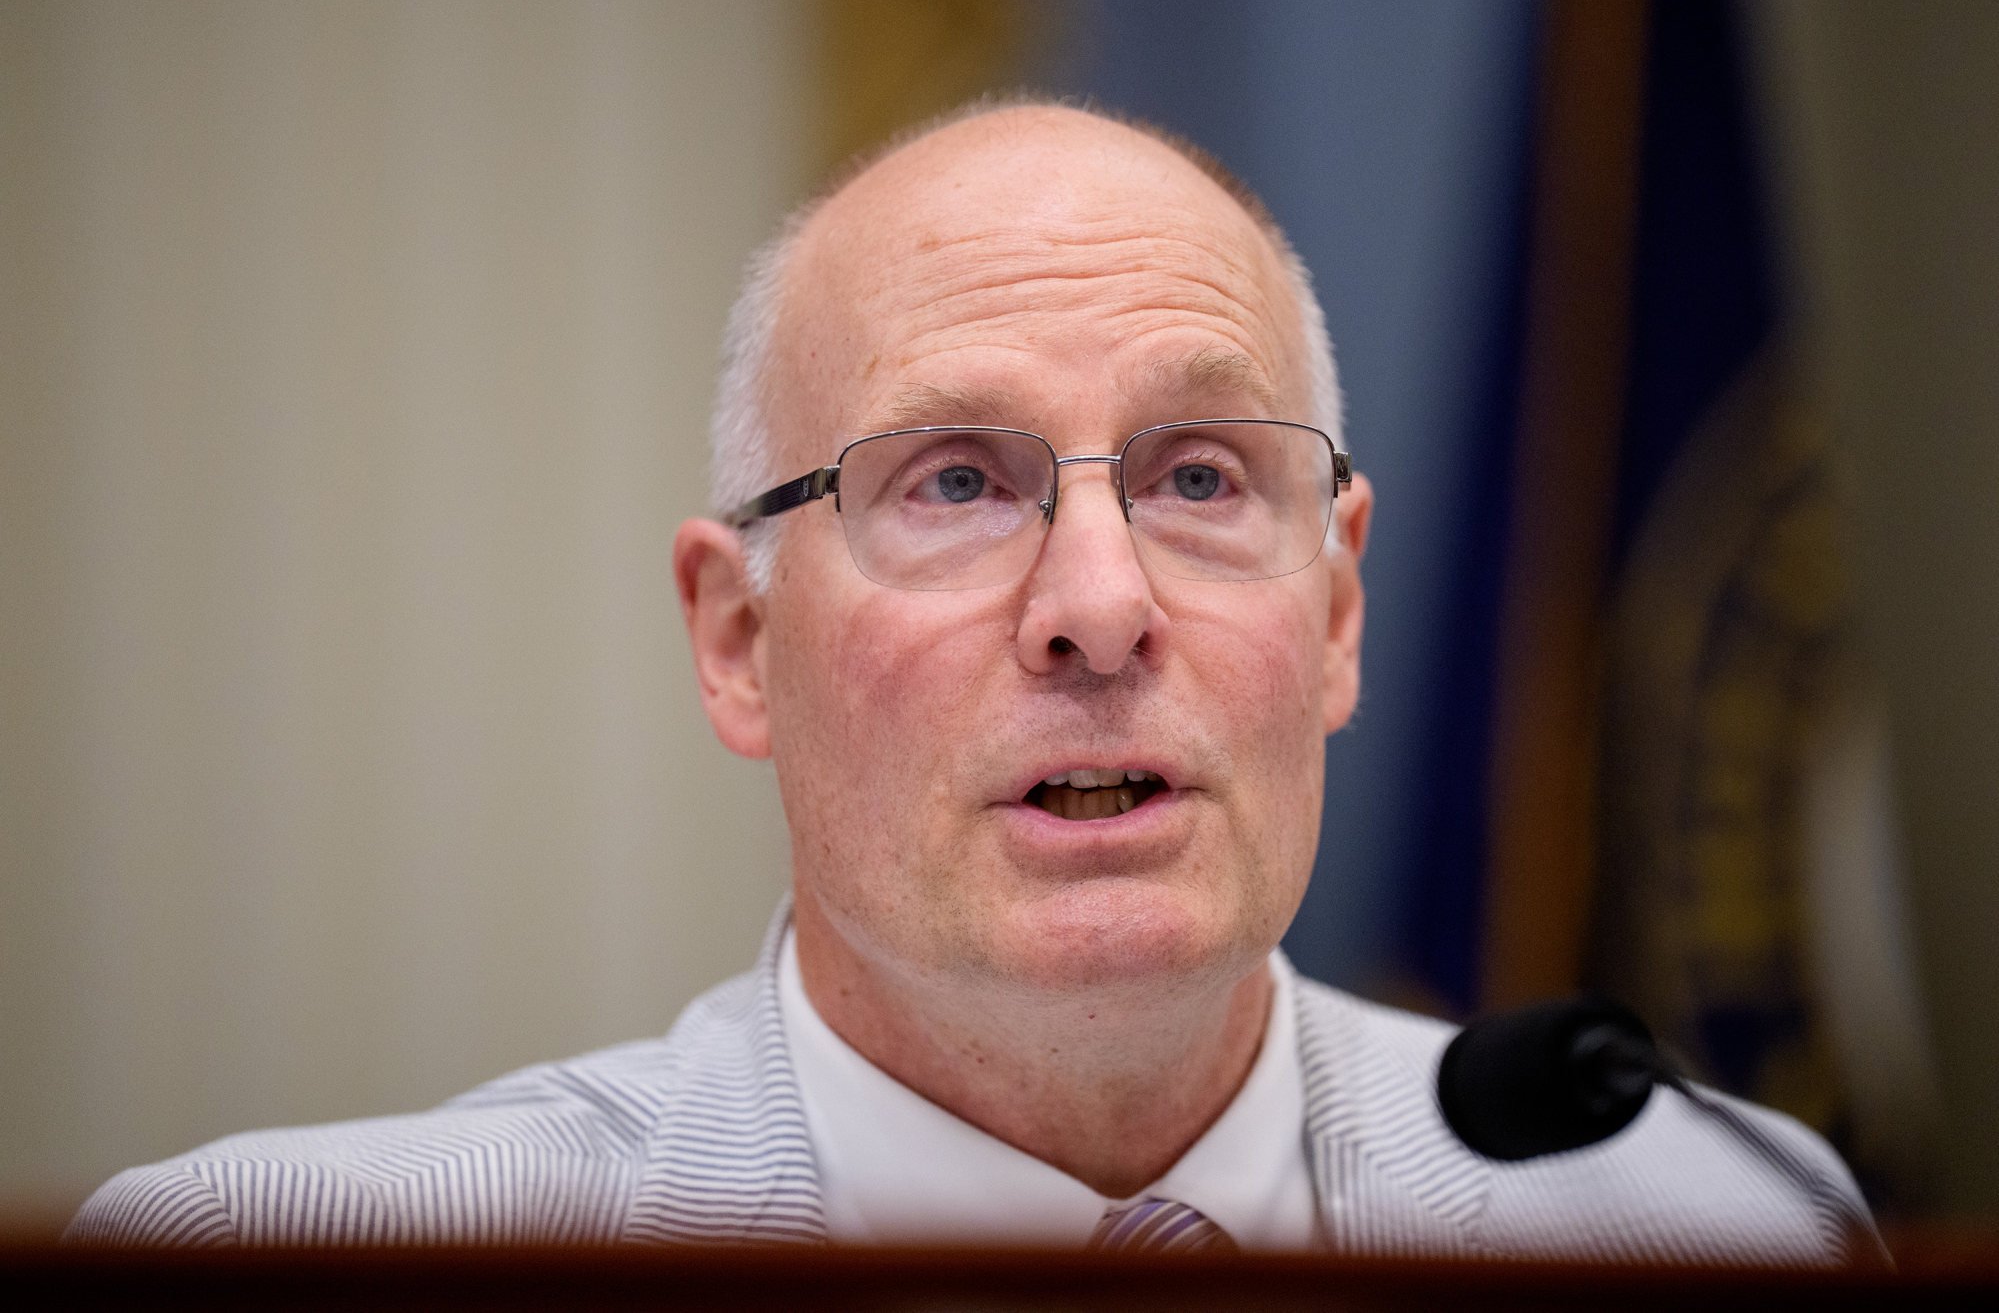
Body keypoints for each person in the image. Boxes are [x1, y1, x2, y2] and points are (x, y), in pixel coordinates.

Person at [68, 101, 1874, 1263]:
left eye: (1196, 477)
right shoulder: (283, 1266)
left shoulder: (1717, 1224)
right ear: (736, 638)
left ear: (1336, 617)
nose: (1101, 608)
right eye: (952, 482)